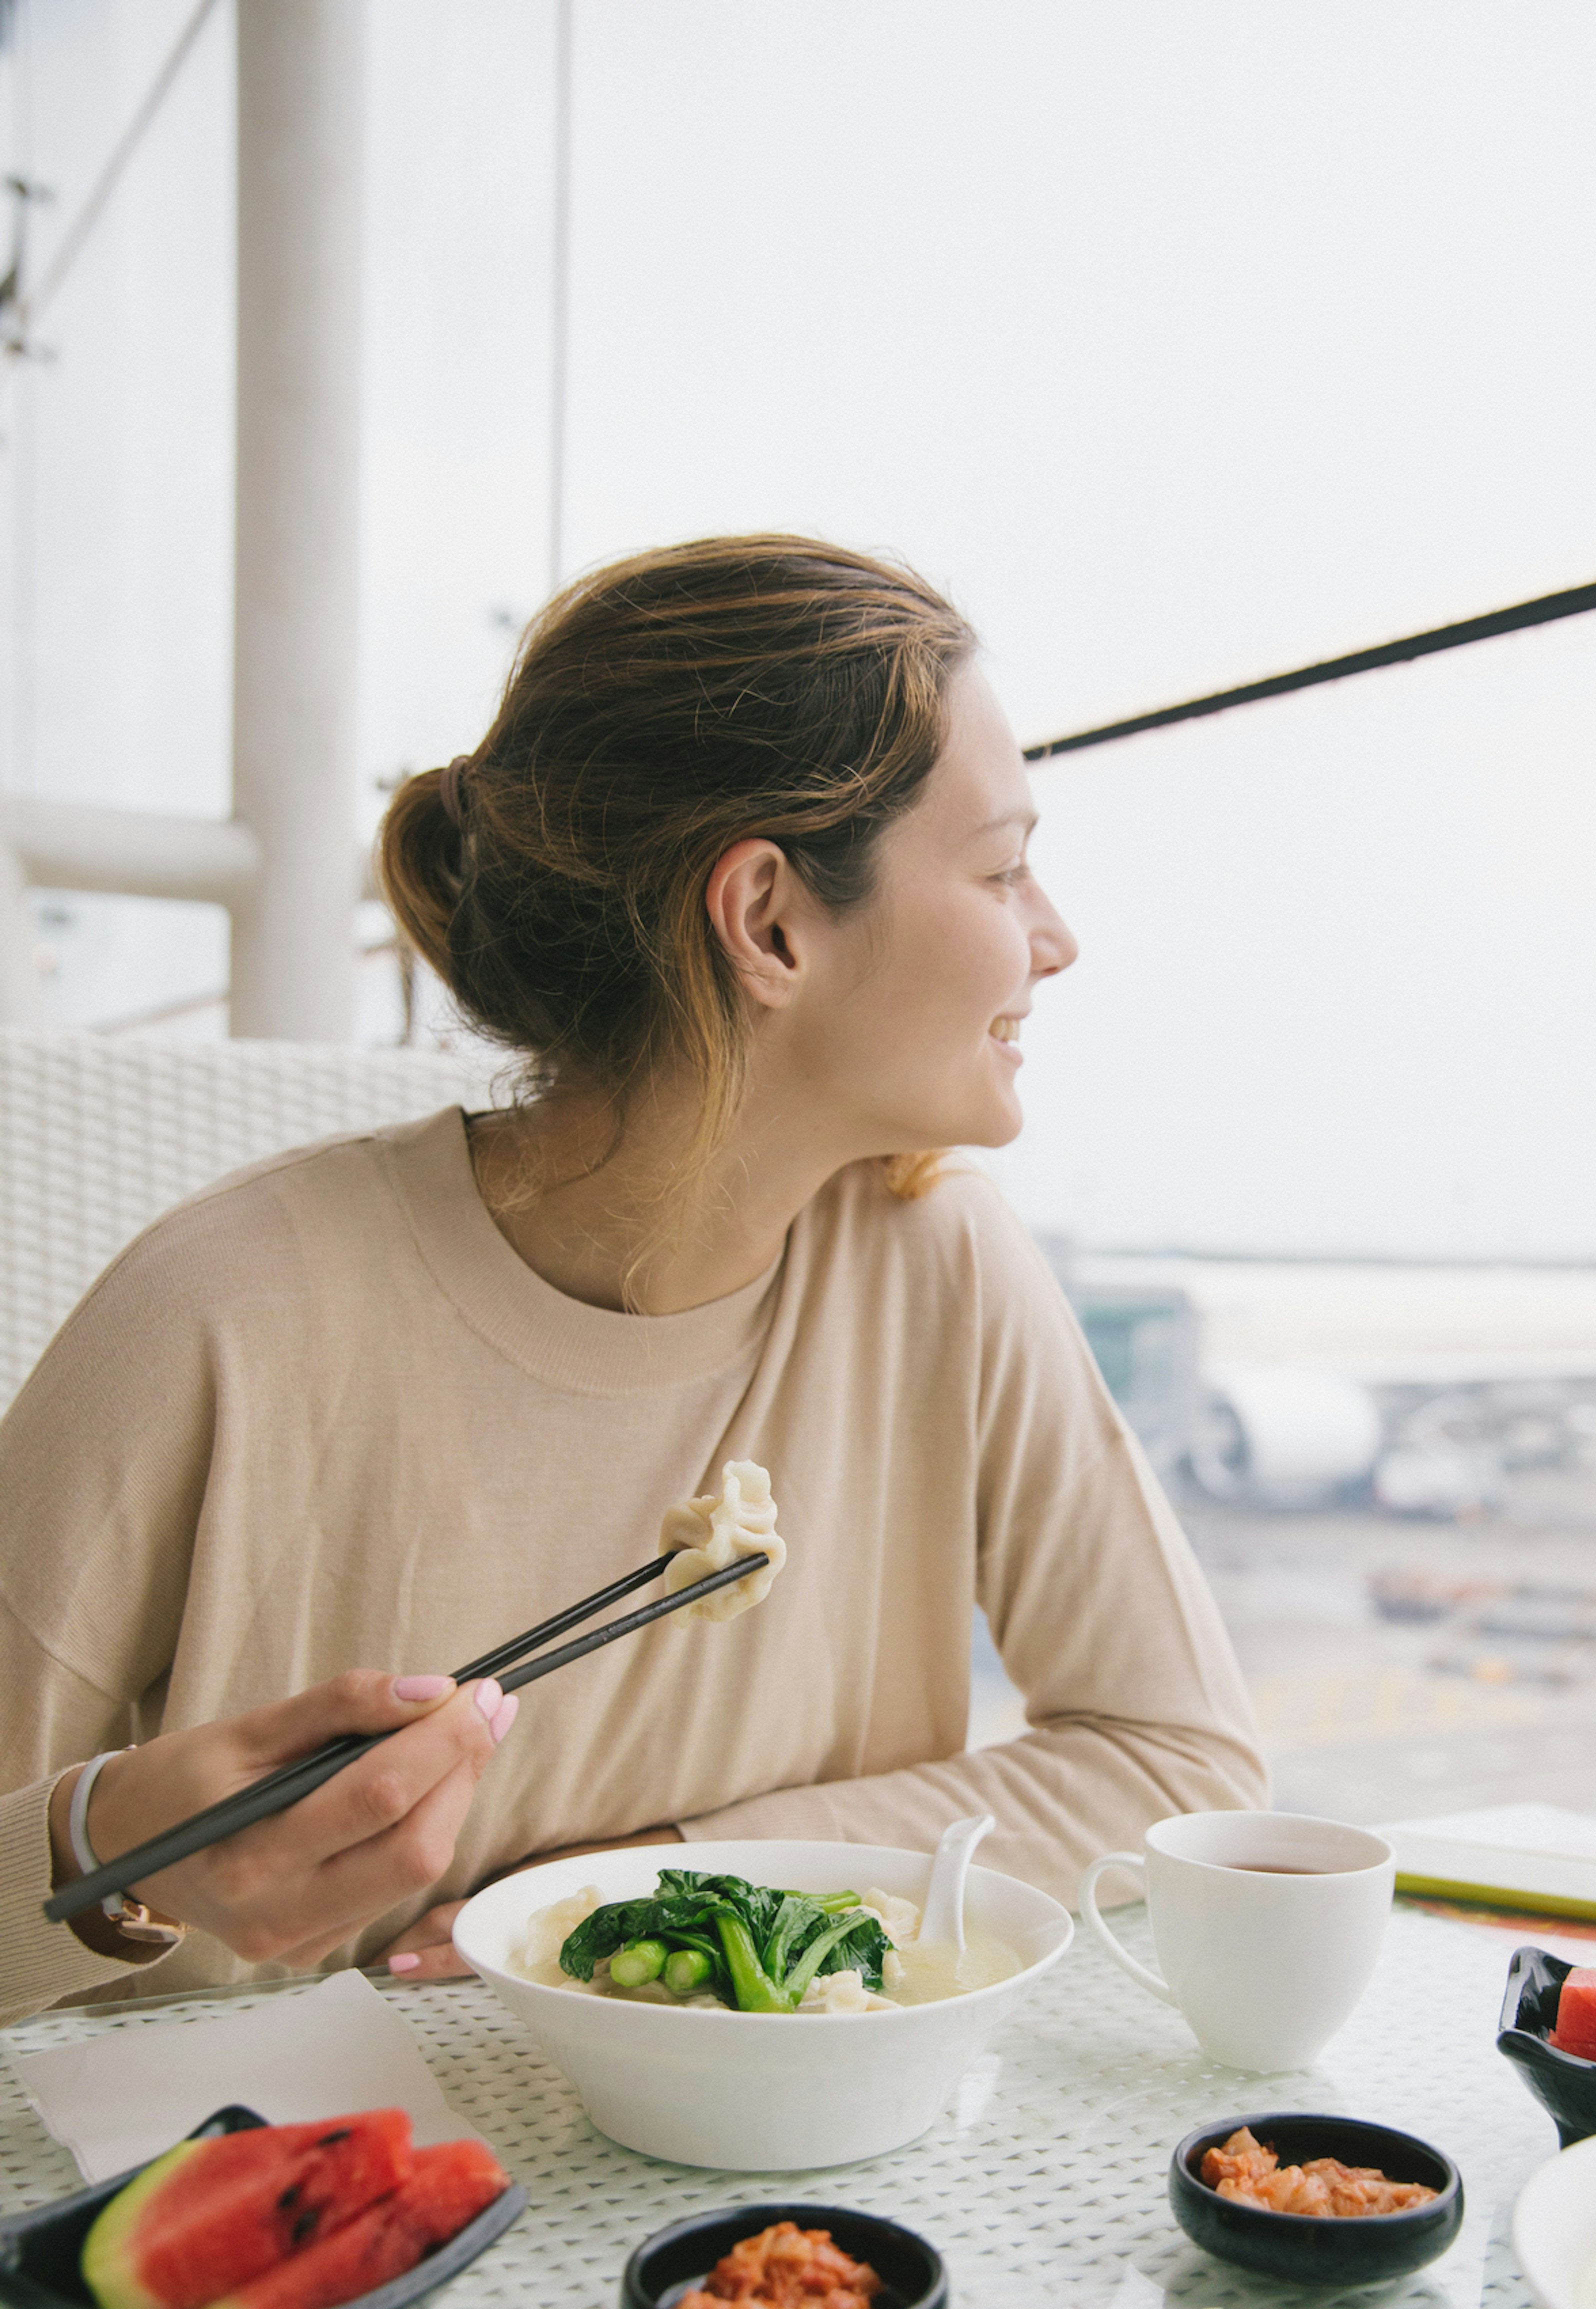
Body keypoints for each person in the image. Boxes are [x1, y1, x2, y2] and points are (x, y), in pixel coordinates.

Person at [0, 535, 1264, 2024]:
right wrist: (112, 1864)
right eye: (1000, 868)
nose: (1054, 940)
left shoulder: (943, 1267)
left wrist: (667, 1886)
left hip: (778, 2214)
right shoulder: (217, 1312)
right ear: (769, 921)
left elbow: (1181, 1770)